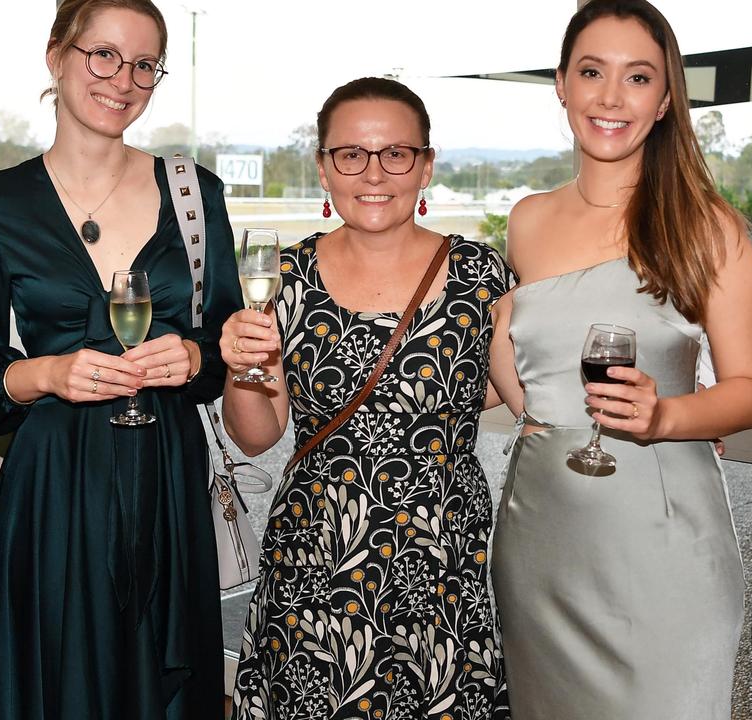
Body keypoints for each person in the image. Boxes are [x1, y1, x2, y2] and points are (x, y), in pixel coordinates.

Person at [486, 1, 752, 718]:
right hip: (542, 540)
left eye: (638, 76)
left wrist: (665, 414)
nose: (611, 98)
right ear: (561, 84)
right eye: (592, 72)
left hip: (664, 544)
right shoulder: (527, 220)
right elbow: (530, 389)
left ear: (666, 97)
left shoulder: (706, 225)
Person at [0, 0, 239, 717]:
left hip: (168, 478)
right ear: (58, 57)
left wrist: (193, 358)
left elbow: (226, 350)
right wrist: (47, 373)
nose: (124, 78)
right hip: (53, 486)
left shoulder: (193, 194)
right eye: (102, 54)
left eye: (144, 64)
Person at [222, 77, 512, 720]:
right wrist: (242, 367)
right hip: (313, 564)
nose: (373, 172)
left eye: (396, 153)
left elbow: (516, 393)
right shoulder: (283, 276)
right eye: (350, 154)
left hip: (439, 569)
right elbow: (256, 435)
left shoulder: (481, 276)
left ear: (426, 165)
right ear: (324, 168)